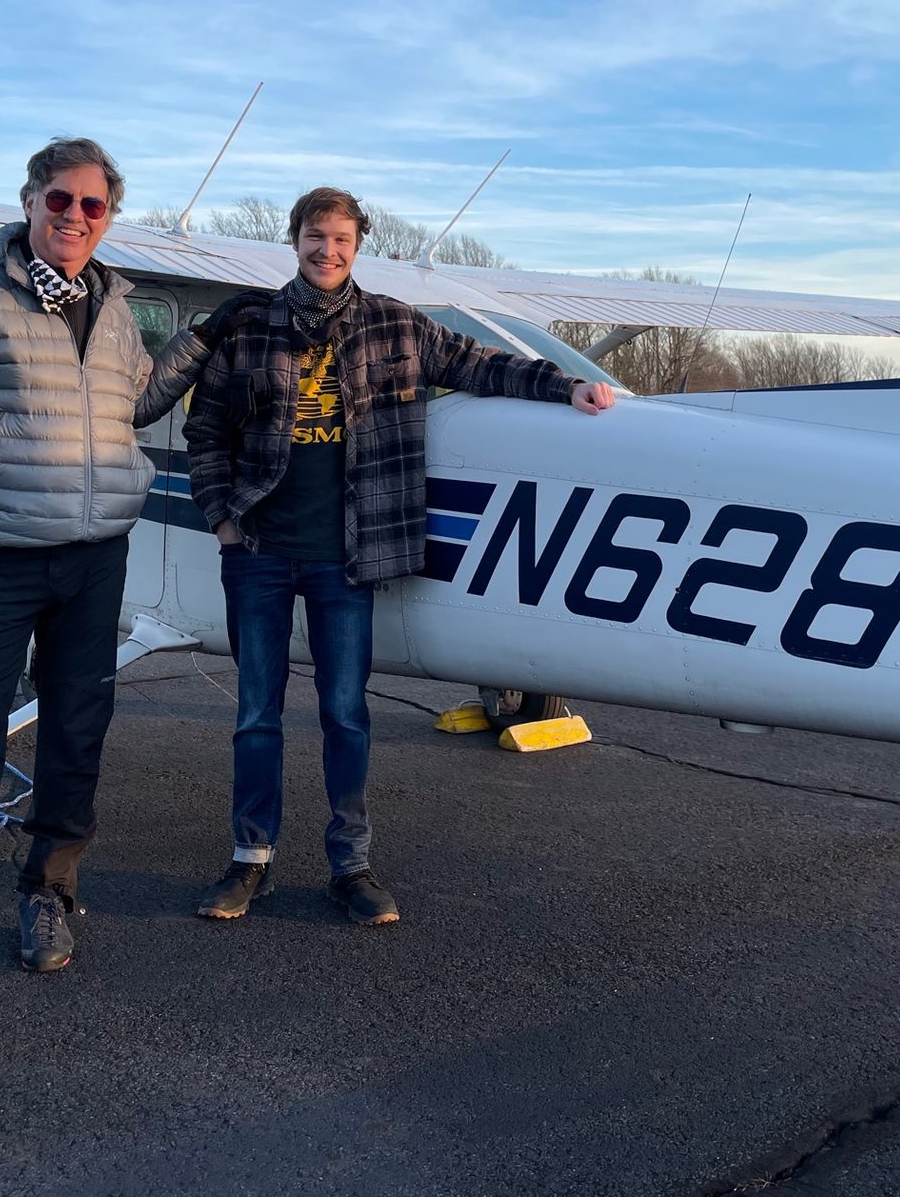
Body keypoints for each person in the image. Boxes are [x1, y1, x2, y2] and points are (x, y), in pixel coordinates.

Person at [184, 186, 616, 926]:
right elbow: (206, 432)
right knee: (256, 713)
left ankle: (350, 864)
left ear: (359, 247)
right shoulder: (251, 329)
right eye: (316, 236)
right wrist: (223, 520)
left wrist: (567, 384)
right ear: (295, 240)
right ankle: (249, 860)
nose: (328, 250)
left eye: (342, 239)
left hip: (347, 554)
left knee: (345, 714)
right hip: (257, 546)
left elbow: (482, 365)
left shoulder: (396, 323)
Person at [0, 136, 240, 999]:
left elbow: (134, 404)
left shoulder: (114, 307)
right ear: (31, 200)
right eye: (61, 201)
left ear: (108, 218)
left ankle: (50, 894)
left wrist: (197, 345)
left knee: (77, 734)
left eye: (93, 206)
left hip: (96, 554)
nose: (76, 217)